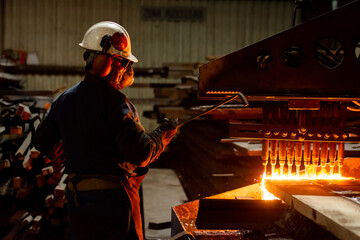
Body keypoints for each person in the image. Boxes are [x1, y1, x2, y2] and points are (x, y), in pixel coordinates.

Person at [33, 21, 178, 240]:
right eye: (123, 62)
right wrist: (162, 135)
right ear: (105, 62)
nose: (127, 70)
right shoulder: (115, 102)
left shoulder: (64, 100)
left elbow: (40, 140)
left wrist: (59, 150)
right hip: (112, 202)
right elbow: (141, 153)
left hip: (77, 201)